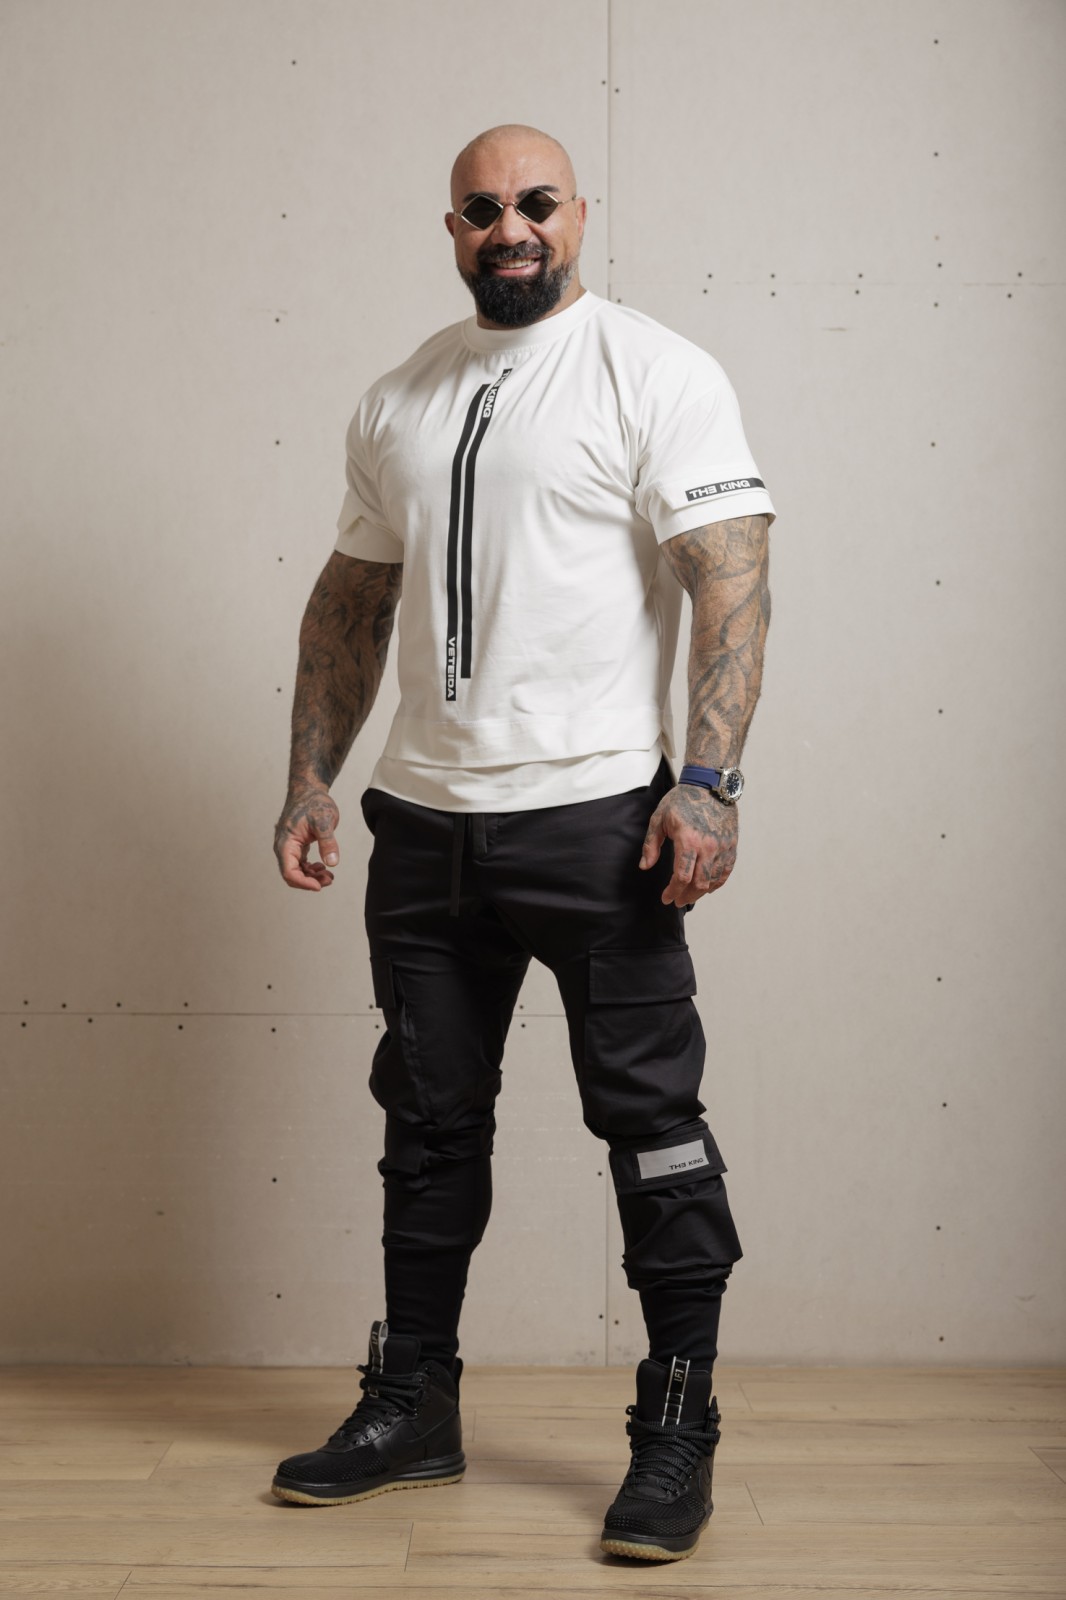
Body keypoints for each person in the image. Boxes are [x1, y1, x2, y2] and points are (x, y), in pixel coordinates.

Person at [270, 123, 774, 1564]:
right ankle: (410, 1407)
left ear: (577, 214)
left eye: (536, 203)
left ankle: (676, 1430)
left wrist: (708, 783)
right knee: (427, 1126)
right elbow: (350, 598)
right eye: (482, 208)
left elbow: (732, 580)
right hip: (424, 827)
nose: (512, 228)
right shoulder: (400, 395)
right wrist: (310, 776)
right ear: (451, 227)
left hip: (599, 822)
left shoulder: (653, 371)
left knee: (653, 1130)